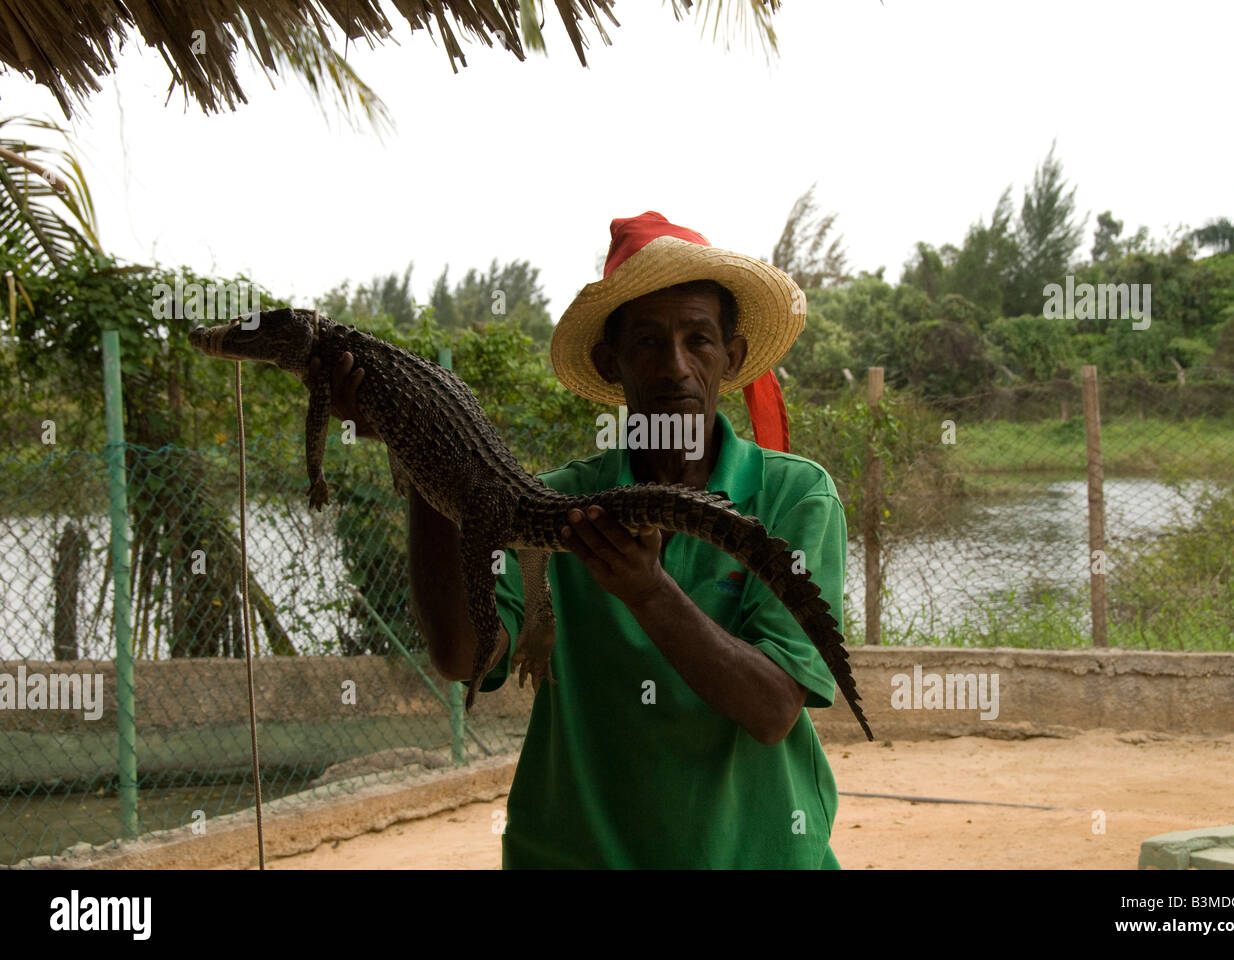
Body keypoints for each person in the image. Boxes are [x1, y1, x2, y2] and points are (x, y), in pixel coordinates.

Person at [318, 211, 850, 868]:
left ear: (732, 358)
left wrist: (649, 592)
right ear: (612, 361)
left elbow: (772, 709)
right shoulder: (553, 504)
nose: (676, 367)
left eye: (699, 340)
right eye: (649, 343)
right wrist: (420, 448)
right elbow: (464, 655)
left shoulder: (795, 498)